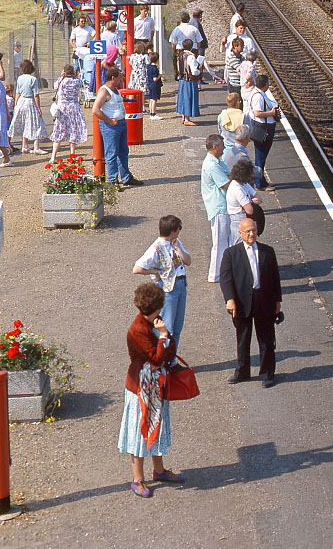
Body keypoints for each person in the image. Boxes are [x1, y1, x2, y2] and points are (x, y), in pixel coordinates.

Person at [118, 281, 185, 497]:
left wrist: (164, 341)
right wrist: (163, 336)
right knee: (141, 430)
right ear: (156, 306)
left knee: (156, 425)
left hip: (152, 386)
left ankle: (158, 471)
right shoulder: (139, 328)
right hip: (141, 389)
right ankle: (137, 479)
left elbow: (167, 352)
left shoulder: (151, 323)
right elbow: (158, 356)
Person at [219, 218, 281, 387]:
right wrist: (229, 299)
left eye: (253, 230)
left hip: (264, 299)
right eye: (248, 231)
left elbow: (275, 278)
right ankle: (242, 371)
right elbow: (225, 279)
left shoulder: (268, 251)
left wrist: (277, 300)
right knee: (243, 337)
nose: (252, 234)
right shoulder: (231, 254)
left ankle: (267, 373)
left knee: (266, 338)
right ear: (240, 234)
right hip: (241, 302)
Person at [132, 215, 192, 348]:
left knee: (177, 326)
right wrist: (155, 272)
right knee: (167, 326)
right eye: (178, 230)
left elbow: (188, 261)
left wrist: (178, 248)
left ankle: (172, 359)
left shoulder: (175, 242)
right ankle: (161, 360)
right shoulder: (156, 247)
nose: (179, 233)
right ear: (173, 231)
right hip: (168, 289)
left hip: (181, 284)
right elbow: (137, 268)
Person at [93, 66, 141, 187]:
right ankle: (113, 180)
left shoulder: (115, 89)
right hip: (111, 126)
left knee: (123, 151)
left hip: (121, 123)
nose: (121, 80)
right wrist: (109, 121)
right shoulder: (104, 91)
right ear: (113, 78)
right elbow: (96, 110)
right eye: (119, 78)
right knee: (112, 153)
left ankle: (126, 177)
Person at [201, 135, 231, 283]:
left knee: (225, 241)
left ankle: (224, 271)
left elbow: (229, 174)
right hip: (219, 207)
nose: (224, 148)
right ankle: (214, 274)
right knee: (219, 243)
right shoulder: (212, 165)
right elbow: (226, 183)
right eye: (222, 146)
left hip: (223, 206)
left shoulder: (218, 162)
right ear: (215, 147)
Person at [245, 74, 280, 190]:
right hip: (262, 128)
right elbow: (257, 113)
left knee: (262, 157)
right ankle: (259, 184)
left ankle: (262, 181)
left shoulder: (258, 93)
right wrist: (272, 113)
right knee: (260, 157)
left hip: (265, 127)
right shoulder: (258, 97)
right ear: (265, 85)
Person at [49, 64, 88, 162]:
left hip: (63, 108)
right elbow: (80, 81)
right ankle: (72, 155)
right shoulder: (77, 82)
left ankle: (53, 157)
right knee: (73, 131)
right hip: (74, 107)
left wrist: (61, 76)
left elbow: (55, 87)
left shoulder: (62, 81)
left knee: (59, 131)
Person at [8, 59, 47, 155]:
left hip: (21, 101)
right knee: (37, 123)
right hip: (30, 101)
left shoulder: (20, 78)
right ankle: (36, 147)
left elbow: (17, 92)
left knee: (25, 123)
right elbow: (36, 95)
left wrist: (16, 104)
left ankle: (24, 146)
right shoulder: (33, 79)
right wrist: (39, 107)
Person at [226, 158, 263, 239]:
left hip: (243, 217)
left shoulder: (244, 184)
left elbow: (259, 198)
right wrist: (251, 202)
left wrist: (249, 201)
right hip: (238, 219)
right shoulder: (236, 188)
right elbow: (250, 210)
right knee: (239, 243)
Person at [167, 13, 201, 77]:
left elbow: (173, 43)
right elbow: (199, 41)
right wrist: (197, 49)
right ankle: (194, 78)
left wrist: (174, 51)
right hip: (193, 48)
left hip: (180, 49)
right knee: (193, 65)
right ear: (189, 19)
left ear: (181, 19)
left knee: (180, 65)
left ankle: (179, 75)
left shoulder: (177, 29)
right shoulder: (194, 28)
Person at [176, 42, 201, 126]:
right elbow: (194, 71)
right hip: (189, 80)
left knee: (183, 97)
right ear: (191, 47)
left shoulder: (180, 55)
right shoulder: (191, 56)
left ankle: (183, 117)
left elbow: (179, 67)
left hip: (182, 79)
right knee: (188, 98)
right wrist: (199, 71)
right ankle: (187, 119)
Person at [0, 70, 13, 166]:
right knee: (0, 134)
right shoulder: (0, 84)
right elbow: (4, 99)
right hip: (3, 112)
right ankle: (5, 157)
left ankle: (6, 158)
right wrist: (8, 113)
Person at [146, 52, 162, 119]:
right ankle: (153, 113)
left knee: (151, 99)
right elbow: (155, 79)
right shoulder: (155, 68)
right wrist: (159, 76)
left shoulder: (148, 67)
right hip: (155, 85)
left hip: (150, 84)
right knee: (154, 100)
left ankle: (151, 113)